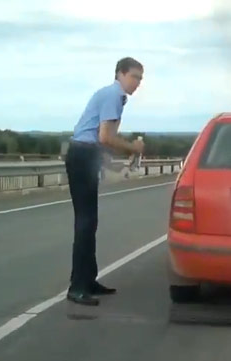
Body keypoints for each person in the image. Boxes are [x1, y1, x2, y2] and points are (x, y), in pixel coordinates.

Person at [65, 57, 145, 306]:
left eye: (140, 79)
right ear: (120, 74)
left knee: (90, 221)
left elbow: (102, 139)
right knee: (85, 222)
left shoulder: (116, 97)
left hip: (85, 153)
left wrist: (112, 160)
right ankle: (78, 287)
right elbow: (106, 136)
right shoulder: (113, 95)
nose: (137, 83)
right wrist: (133, 147)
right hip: (82, 154)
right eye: (134, 77)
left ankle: (88, 280)